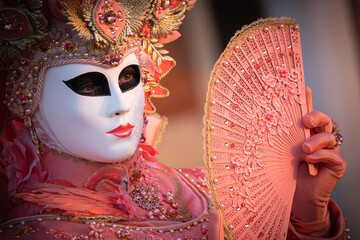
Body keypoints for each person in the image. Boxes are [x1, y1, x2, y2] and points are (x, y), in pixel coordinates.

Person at [0, 0, 347, 239]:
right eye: (89, 85)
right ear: (25, 99)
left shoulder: (204, 188)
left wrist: (308, 217)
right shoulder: (36, 232)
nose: (121, 105)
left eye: (128, 78)